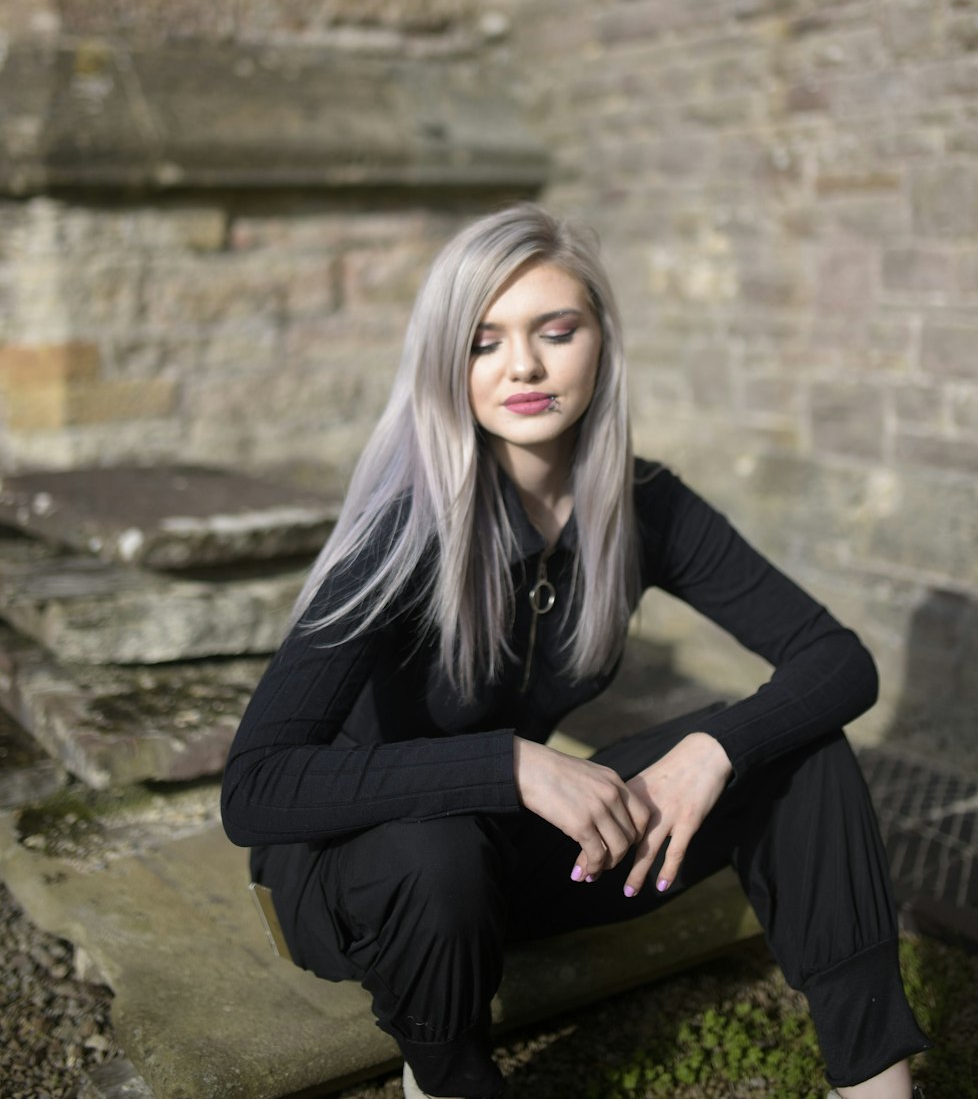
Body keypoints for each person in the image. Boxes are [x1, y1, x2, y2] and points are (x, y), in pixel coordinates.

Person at [221, 203, 930, 1099]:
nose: (523, 365)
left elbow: (837, 660)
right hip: (367, 876)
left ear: (600, 343)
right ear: (449, 364)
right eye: (484, 342)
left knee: (798, 752)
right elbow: (255, 789)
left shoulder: (646, 507)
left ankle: (873, 1083)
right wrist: (511, 767)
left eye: (555, 331)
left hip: (509, 859)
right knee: (434, 848)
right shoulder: (400, 532)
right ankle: (444, 1080)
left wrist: (711, 754)